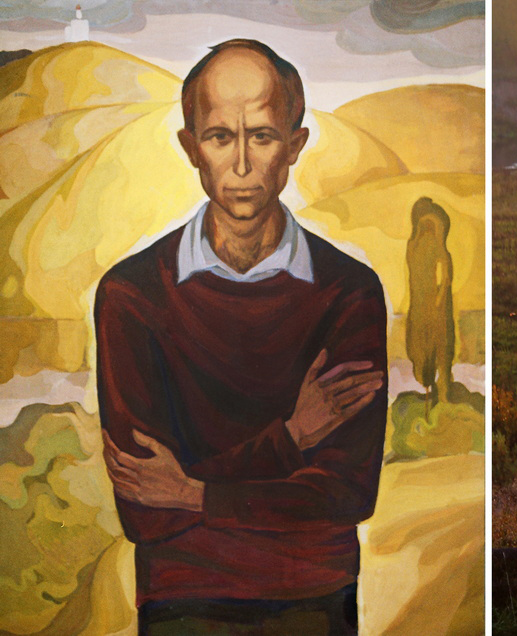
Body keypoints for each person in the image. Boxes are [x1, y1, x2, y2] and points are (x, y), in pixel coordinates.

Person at [96, 39, 387, 635]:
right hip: (182, 602)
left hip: (315, 597)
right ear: (190, 148)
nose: (243, 165)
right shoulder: (132, 296)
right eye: (220, 136)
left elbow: (348, 494)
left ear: (295, 146)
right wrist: (293, 437)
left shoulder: (348, 292)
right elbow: (143, 511)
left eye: (262, 135)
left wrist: (193, 494)